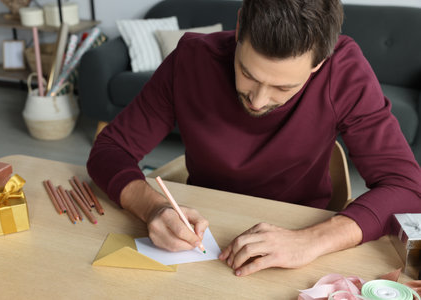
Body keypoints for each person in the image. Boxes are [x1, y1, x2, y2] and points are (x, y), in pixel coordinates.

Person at [87, 0, 421, 277]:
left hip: (298, 229)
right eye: (247, 73)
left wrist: (312, 240)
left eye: (283, 87)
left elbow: (406, 186)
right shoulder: (190, 60)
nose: (258, 101)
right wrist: (154, 208)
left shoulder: (344, 71)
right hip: (205, 234)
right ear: (239, 27)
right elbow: (109, 150)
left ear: (320, 62)